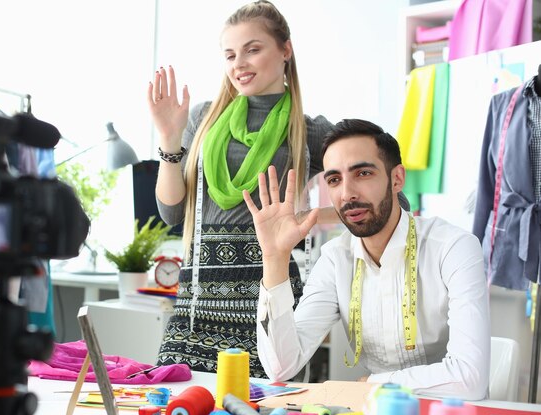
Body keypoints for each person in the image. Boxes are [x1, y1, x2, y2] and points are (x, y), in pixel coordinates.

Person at [147, 1, 408, 377]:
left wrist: (305, 219)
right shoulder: (203, 120)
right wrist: (169, 139)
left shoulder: (308, 130)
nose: (239, 64)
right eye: (230, 54)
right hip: (195, 307)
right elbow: (172, 213)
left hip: (271, 305)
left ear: (285, 50)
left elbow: (393, 200)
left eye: (253, 49)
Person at [244, 119, 490, 400]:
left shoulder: (454, 248)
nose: (347, 193)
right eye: (334, 180)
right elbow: (280, 367)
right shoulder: (336, 259)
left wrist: (375, 383)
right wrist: (274, 258)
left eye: (362, 173)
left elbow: (470, 378)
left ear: (396, 179)